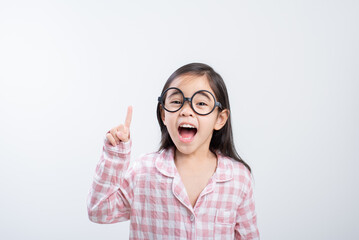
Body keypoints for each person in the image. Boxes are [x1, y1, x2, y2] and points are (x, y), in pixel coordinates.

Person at [87, 63, 259, 239]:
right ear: (163, 114)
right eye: (176, 101)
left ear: (220, 118)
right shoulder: (143, 171)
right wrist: (116, 155)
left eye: (200, 103)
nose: (186, 111)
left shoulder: (238, 178)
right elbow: (99, 211)